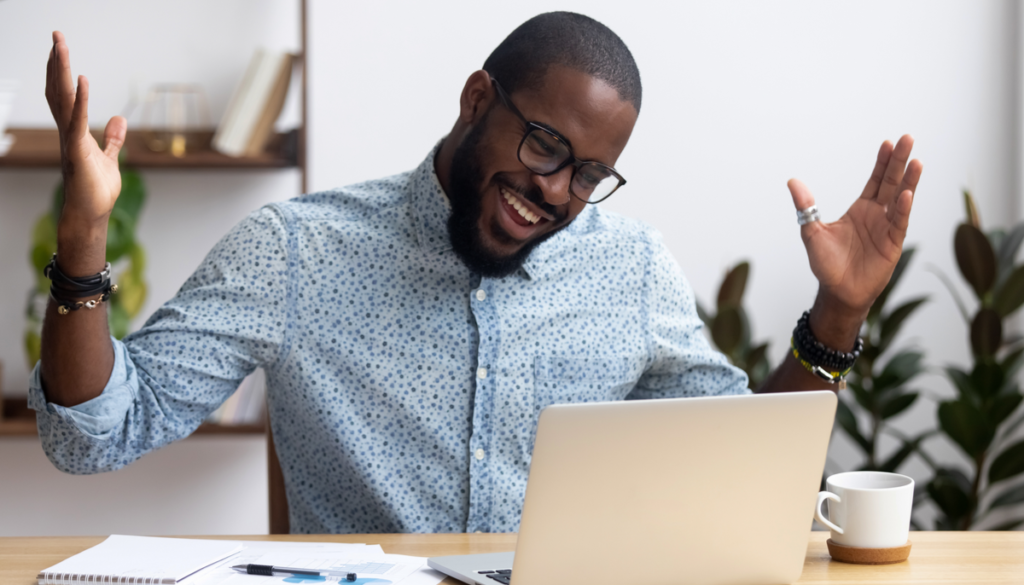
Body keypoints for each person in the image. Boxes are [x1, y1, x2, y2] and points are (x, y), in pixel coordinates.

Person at [34, 12, 921, 533]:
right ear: (475, 101)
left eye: (588, 174)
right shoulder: (297, 250)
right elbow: (90, 435)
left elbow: (745, 474)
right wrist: (83, 239)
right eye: (545, 145)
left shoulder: (632, 269)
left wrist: (838, 312)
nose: (556, 191)